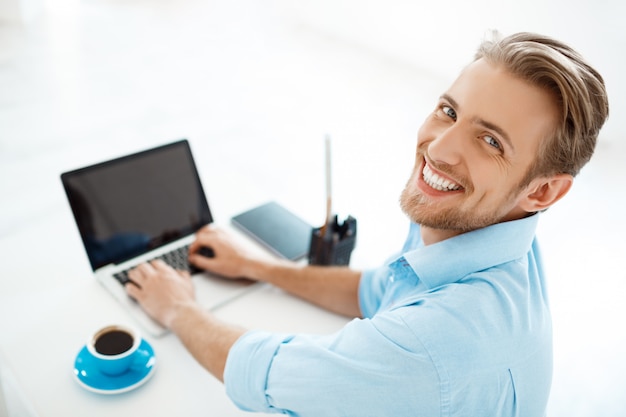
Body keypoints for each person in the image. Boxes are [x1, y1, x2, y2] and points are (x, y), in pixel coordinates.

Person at [125, 32, 608, 416]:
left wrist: (179, 309)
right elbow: (375, 291)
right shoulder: (482, 228)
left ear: (543, 191)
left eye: (491, 142)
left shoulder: (435, 346)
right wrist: (257, 266)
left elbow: (267, 375)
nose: (438, 149)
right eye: (449, 111)